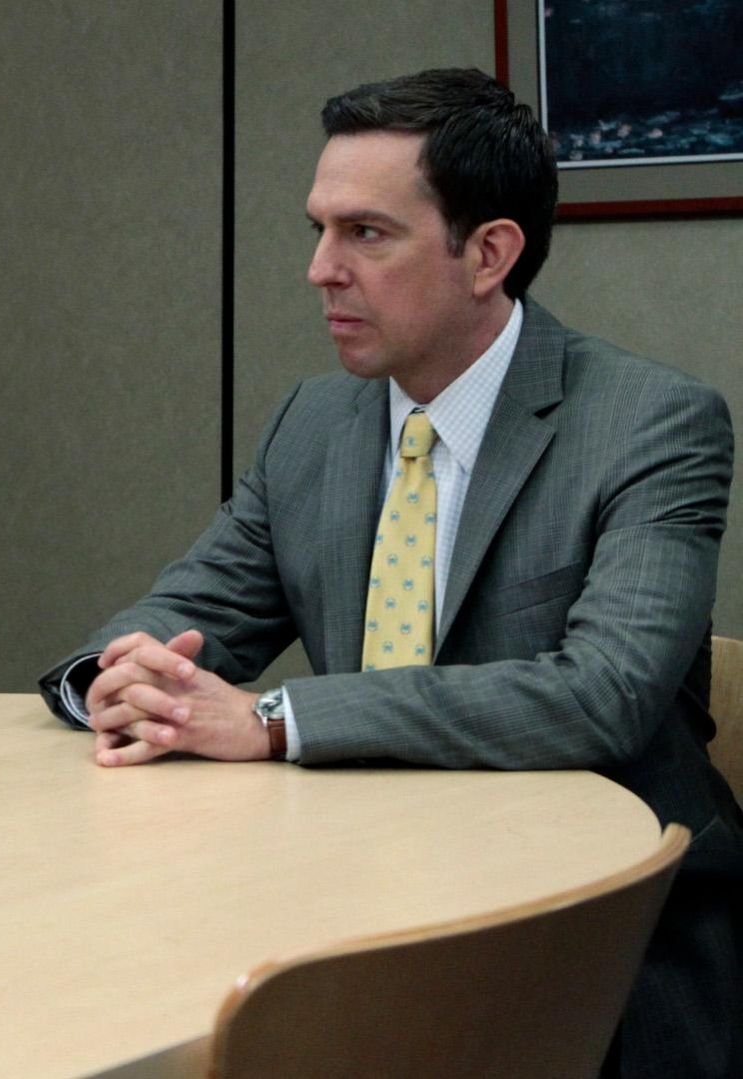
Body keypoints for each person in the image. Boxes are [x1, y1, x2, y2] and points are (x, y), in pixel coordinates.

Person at [39, 69, 741, 1078]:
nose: (318, 269)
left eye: (364, 234)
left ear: (487, 253)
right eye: (318, 229)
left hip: (598, 944)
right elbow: (186, 612)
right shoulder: (311, 424)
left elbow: (604, 694)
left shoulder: (648, 423)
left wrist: (272, 718)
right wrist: (119, 676)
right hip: (350, 907)